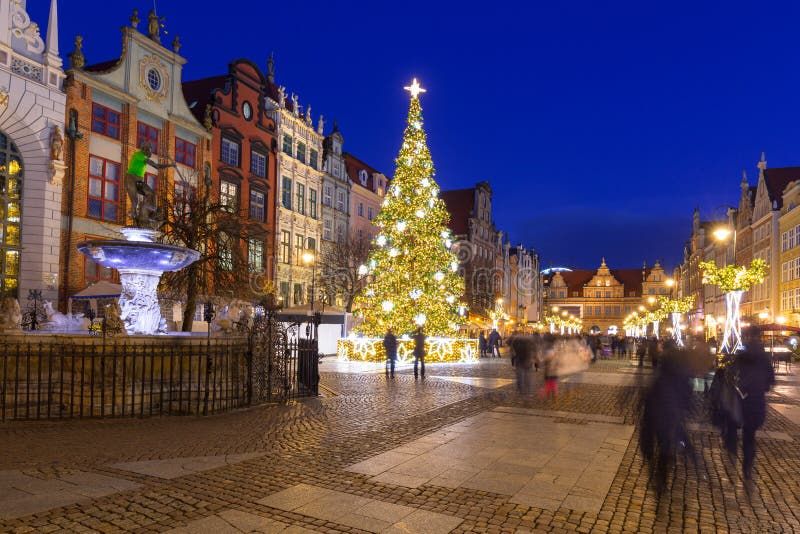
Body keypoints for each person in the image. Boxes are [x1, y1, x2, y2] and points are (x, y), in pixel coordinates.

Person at [730, 328, 775, 480]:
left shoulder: (742, 353)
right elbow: (771, 379)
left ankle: (735, 450)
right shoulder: (764, 356)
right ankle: (747, 464)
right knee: (750, 433)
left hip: (743, 396)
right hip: (757, 398)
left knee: (738, 426)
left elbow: (732, 370)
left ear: (748, 336)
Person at [125, 142, 174, 227]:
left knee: (151, 193)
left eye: (150, 151)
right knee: (135, 201)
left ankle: (151, 211)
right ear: (144, 149)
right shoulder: (139, 155)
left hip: (139, 181)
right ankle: (135, 220)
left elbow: (157, 166)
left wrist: (170, 165)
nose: (150, 153)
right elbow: (156, 166)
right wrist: (170, 165)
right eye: (148, 151)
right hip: (131, 179)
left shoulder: (144, 157)